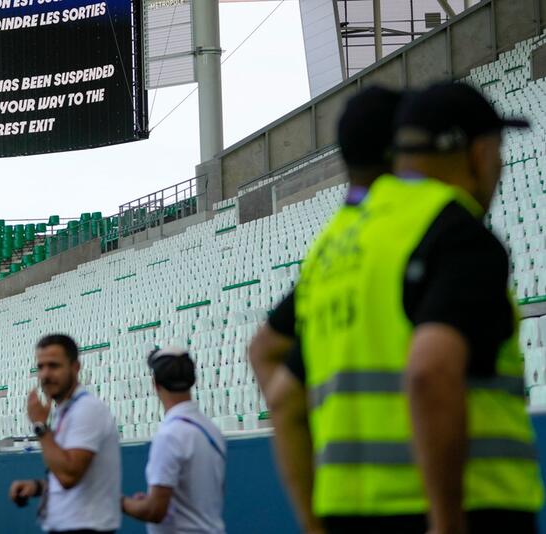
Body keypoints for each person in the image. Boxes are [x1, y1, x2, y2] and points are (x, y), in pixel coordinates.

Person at [265, 81, 545, 534]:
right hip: (473, 507)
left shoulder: (336, 247)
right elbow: (430, 371)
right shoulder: (454, 230)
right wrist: (447, 522)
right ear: (477, 154)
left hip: (347, 513)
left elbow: (283, 397)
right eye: (498, 151)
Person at [247, 85, 402, 534]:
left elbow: (264, 354)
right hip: (415, 500)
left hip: (340, 498)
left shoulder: (328, 250)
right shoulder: (417, 232)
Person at [9, 334, 122, 534]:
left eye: (53, 366)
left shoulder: (86, 409)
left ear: (75, 367)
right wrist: (35, 487)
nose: (45, 374)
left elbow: (69, 476)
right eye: (40, 367)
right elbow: (74, 476)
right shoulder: (67, 410)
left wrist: (40, 427)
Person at [122, 347, 225, 533]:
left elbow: (155, 511)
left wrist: (120, 502)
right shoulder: (211, 429)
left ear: (155, 383)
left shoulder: (170, 435)